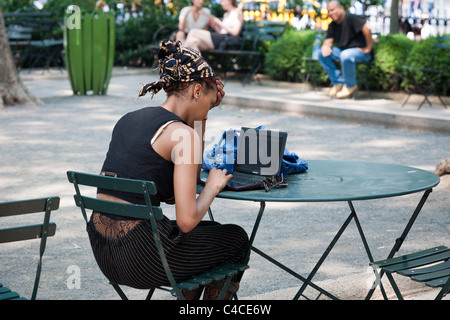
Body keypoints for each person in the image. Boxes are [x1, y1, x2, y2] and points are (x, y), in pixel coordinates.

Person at [88, 40, 249, 300]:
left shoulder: (129, 120)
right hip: (142, 257)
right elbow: (186, 221)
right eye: (209, 103)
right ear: (197, 91)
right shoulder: (183, 136)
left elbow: (183, 187)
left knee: (205, 237)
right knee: (236, 239)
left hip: (104, 252)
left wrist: (200, 119)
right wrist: (212, 187)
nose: (208, 109)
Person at [318, 0, 373, 99]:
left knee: (345, 55)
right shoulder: (332, 24)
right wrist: (325, 46)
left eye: (332, 10)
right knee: (322, 54)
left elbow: (367, 29)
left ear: (340, 8)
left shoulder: (351, 18)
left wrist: (368, 48)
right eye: (328, 11)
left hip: (360, 52)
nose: (330, 13)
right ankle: (338, 82)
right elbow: (328, 41)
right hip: (343, 52)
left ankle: (350, 85)